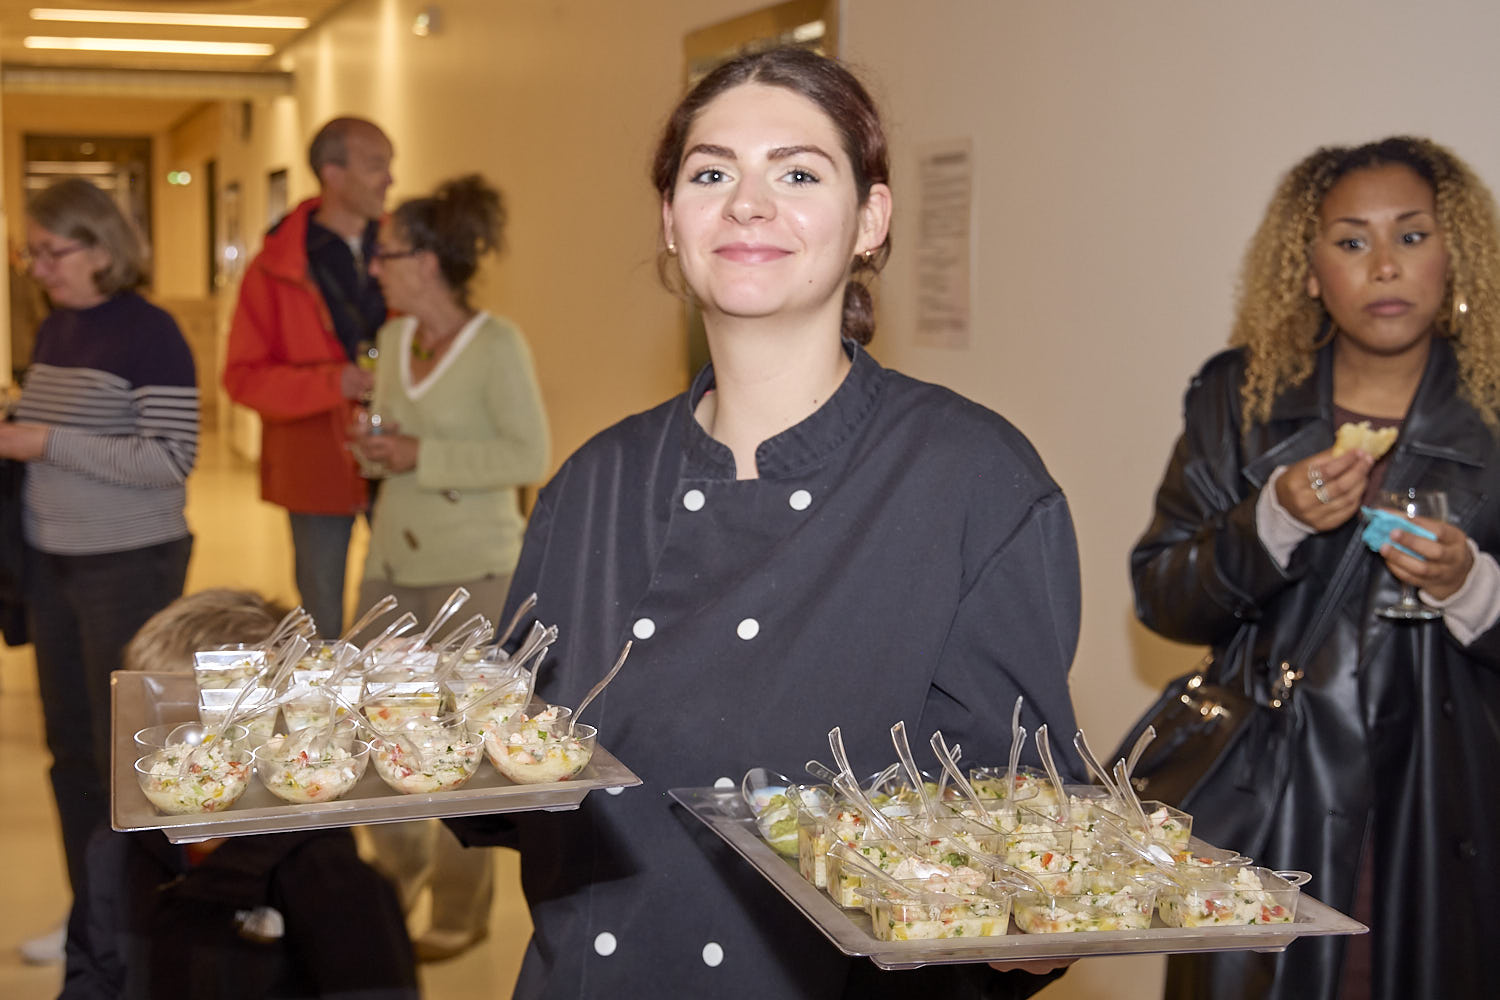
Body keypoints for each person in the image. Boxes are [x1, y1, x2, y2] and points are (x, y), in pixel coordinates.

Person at [451, 47, 1081, 999]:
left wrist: (1036, 915)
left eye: (797, 173)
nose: (748, 204)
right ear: (672, 219)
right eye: (712, 174)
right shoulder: (593, 482)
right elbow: (513, 763)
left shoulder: (973, 480)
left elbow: (1022, 814)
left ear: (870, 220)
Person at [1131, 136, 1500, 1000]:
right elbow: (1162, 596)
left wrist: (1471, 587)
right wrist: (1273, 520)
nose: (1383, 267)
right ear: (1307, 269)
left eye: (1411, 236)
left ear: (1457, 255)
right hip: (1270, 797)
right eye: (1350, 240)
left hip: (1448, 803)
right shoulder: (1239, 398)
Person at [351, 174, 548, 961]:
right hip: (391, 561)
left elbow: (527, 453)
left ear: (428, 261)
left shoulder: (497, 343)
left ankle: (462, 911)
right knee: (377, 729)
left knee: (463, 743)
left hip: (477, 570)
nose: (375, 266)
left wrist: (418, 454)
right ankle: (393, 879)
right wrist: (376, 448)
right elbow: (394, 433)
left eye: (387, 253)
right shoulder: (394, 340)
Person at [1, 178, 197, 963]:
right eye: (32, 252)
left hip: (128, 564)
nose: (37, 267)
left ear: (103, 248)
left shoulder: (150, 332)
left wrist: (45, 442)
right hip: (55, 566)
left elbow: (171, 457)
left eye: (52, 252)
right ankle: (93, 911)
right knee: (72, 750)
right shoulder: (54, 330)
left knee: (135, 752)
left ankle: (150, 919)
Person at [61, 588, 419, 1000]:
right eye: (158, 733)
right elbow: (89, 977)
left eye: (209, 733)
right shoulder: (115, 853)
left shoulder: (331, 878)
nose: (181, 759)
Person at [224, 117, 393, 639]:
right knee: (321, 610)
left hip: (404, 453)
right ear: (333, 174)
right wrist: (332, 384)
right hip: (315, 462)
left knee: (408, 606)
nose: (389, 179)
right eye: (376, 165)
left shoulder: (407, 252)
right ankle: (326, 717)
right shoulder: (273, 268)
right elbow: (243, 377)